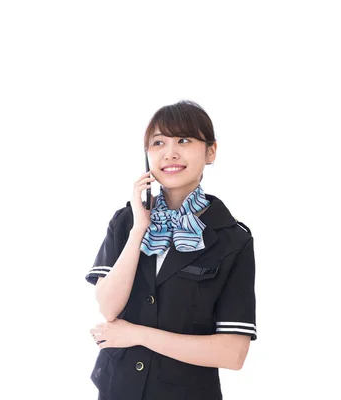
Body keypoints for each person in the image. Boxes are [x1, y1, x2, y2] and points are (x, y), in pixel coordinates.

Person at [85, 100, 256, 400]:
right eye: (158, 142)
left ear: (211, 151)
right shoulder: (126, 221)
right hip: (117, 390)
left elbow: (233, 353)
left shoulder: (232, 239)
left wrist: (137, 335)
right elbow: (108, 308)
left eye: (184, 140)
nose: (170, 153)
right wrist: (139, 228)